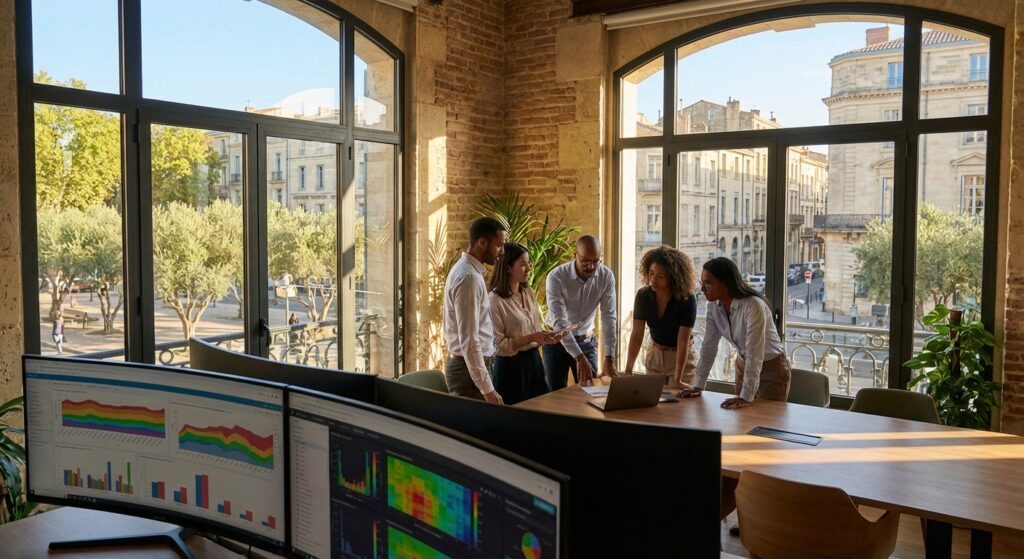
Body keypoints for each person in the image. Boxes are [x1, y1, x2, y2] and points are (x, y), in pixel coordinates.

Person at [680, 256, 791, 407]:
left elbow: (754, 352)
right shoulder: (713, 307)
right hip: (743, 363)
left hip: (772, 368)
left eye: (708, 284)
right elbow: (709, 346)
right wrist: (698, 386)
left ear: (725, 283)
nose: (702, 289)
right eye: (702, 283)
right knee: (742, 421)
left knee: (767, 421)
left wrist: (745, 396)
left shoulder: (753, 305)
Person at [443, 216, 508, 403]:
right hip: (467, 373)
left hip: (472, 368)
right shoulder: (468, 278)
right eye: (499, 245)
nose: (502, 252)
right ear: (481, 242)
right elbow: (469, 340)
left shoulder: (470, 273)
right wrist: (488, 390)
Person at [488, 243, 561, 405]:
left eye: (529, 263)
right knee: (513, 422)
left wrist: (547, 335)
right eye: (522, 264)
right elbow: (499, 345)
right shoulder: (494, 301)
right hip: (510, 368)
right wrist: (532, 337)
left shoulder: (528, 292)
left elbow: (532, 330)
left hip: (534, 362)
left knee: (540, 413)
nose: (528, 268)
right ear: (507, 268)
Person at [544, 235, 617, 389]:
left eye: (595, 261)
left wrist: (609, 357)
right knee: (555, 395)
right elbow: (560, 322)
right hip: (556, 342)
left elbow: (608, 317)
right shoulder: (556, 277)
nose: (590, 266)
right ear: (575, 255)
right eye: (585, 261)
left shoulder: (606, 276)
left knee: (591, 392)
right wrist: (579, 357)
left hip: (586, 341)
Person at [623, 246, 698, 386]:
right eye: (651, 273)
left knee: (680, 405)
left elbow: (683, 341)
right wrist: (628, 369)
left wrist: (678, 379)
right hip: (655, 355)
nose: (653, 280)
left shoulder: (686, 300)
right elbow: (637, 334)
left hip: (681, 358)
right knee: (655, 404)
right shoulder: (643, 296)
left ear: (673, 278)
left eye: (660, 276)